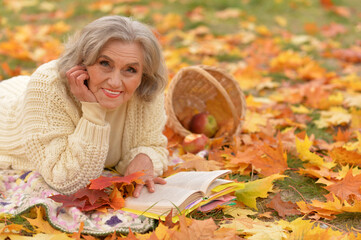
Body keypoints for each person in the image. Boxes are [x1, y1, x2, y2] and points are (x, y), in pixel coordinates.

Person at [0, 16, 169, 197]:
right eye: (105, 63)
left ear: (144, 74)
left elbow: (152, 144)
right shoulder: (48, 85)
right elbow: (66, 181)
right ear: (81, 62)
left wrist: (144, 158)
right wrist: (92, 110)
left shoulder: (146, 90)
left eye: (130, 70)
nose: (114, 82)